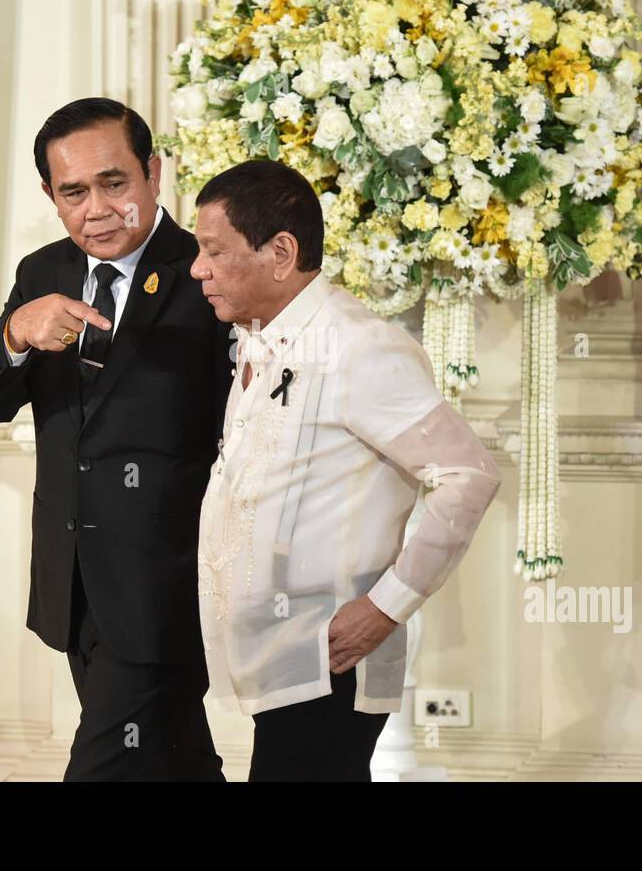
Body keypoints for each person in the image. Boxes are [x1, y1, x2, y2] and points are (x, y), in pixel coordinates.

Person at [190, 159, 501, 781]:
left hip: (330, 660)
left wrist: (387, 607)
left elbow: (468, 473)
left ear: (281, 252)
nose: (198, 268)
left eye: (213, 251)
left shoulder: (359, 345)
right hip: (274, 655)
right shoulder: (254, 339)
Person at [0, 98, 232, 781]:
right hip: (74, 577)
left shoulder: (208, 270)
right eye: (74, 192)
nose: (97, 209)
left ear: (153, 174)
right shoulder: (42, 273)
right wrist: (15, 332)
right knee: (174, 760)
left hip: (168, 586)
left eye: (114, 183)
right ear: (51, 196)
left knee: (103, 767)